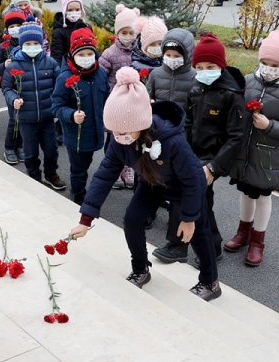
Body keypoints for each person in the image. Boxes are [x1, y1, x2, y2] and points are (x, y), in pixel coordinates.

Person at [68, 67, 222, 301]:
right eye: (114, 131)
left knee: (196, 233)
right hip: (152, 183)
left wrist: (189, 218)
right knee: (132, 219)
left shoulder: (173, 143)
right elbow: (104, 175)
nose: (119, 137)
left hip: (186, 187)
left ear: (140, 122)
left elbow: (194, 181)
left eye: (124, 131)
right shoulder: (121, 141)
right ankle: (141, 268)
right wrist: (86, 219)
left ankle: (210, 281)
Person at [224, 30, 279, 267]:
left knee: (262, 197)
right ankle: (242, 231)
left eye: (275, 65)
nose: (269, 68)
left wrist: (269, 126)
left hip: (269, 157)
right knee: (246, 193)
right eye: (265, 63)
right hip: (245, 154)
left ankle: (258, 241)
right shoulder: (249, 81)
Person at [185, 33, 247, 261]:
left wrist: (213, 167)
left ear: (220, 65)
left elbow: (235, 137)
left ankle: (210, 248)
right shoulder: (196, 87)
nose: (204, 71)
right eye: (199, 67)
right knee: (197, 201)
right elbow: (188, 121)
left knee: (201, 201)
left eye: (210, 66)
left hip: (213, 158)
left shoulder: (231, 95)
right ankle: (200, 244)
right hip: (193, 154)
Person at [146, 28, 198, 264]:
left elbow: (196, 113)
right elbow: (146, 101)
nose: (172, 58)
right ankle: (150, 212)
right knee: (156, 178)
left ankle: (177, 243)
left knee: (179, 188)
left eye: (178, 54)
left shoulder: (195, 77)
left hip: (182, 141)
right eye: (168, 53)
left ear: (187, 55)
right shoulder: (156, 74)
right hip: (157, 138)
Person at [1, 22, 67, 191]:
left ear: (42, 43)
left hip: (47, 117)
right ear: (22, 44)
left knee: (51, 150)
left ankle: (51, 174)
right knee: (30, 153)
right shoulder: (14, 65)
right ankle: (34, 178)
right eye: (28, 44)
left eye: (36, 43)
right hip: (25, 119)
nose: (32, 47)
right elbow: (7, 88)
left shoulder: (50, 63)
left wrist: (58, 103)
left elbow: (59, 85)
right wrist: (13, 98)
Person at [52, 28, 109, 204]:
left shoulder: (100, 73)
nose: (86, 57)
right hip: (75, 134)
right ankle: (78, 195)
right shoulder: (65, 78)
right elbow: (56, 106)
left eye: (89, 53)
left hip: (95, 131)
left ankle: (81, 187)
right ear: (72, 55)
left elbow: (106, 96)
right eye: (81, 54)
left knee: (87, 162)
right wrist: (70, 114)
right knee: (78, 169)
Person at [99, 3, 140, 191]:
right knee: (113, 139)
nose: (128, 37)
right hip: (115, 104)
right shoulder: (109, 54)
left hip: (134, 105)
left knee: (131, 139)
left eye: (131, 32)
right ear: (117, 33)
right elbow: (101, 78)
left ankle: (127, 168)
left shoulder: (139, 53)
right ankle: (113, 168)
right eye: (124, 32)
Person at [0, 9, 27, 165]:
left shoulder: (27, 44)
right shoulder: (3, 47)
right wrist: (4, 65)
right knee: (15, 118)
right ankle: (9, 147)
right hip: (10, 87)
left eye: (18, 25)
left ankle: (20, 145)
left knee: (23, 118)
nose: (15, 28)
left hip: (25, 85)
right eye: (11, 26)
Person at [50, 0, 92, 69]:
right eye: (70, 10)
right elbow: (56, 55)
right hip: (67, 68)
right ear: (64, 11)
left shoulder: (87, 27)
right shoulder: (59, 32)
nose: (74, 12)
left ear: (81, 10)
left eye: (77, 9)